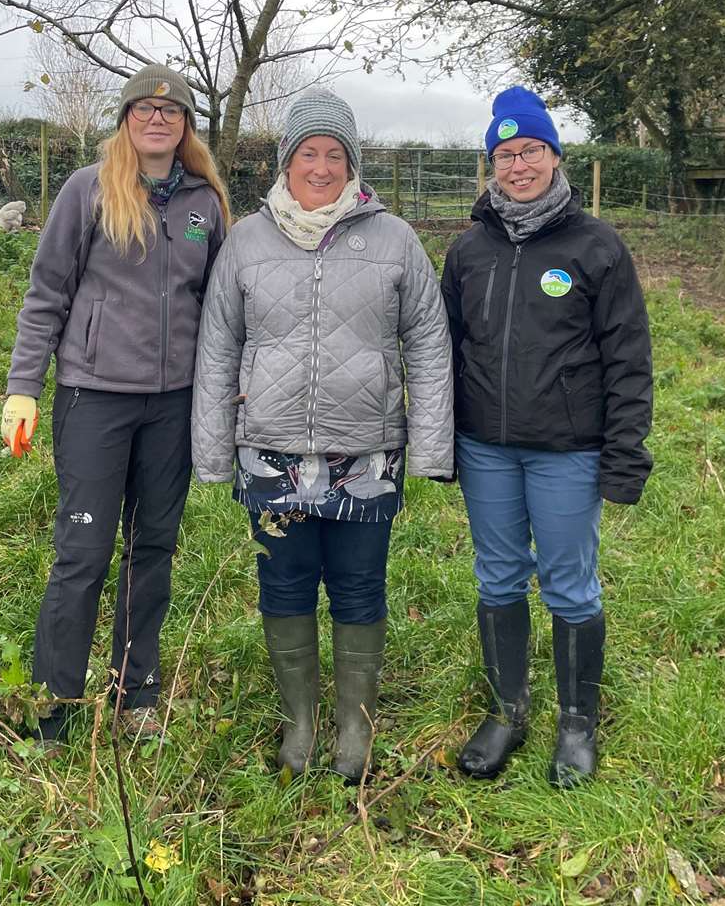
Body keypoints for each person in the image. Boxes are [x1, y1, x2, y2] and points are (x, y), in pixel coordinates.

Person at [192, 88, 453, 780]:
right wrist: (214, 453)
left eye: (334, 153)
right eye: (307, 152)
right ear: (286, 162)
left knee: (361, 586)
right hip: (271, 452)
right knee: (284, 587)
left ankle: (353, 728)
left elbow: (428, 340)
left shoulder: (394, 239)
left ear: (352, 163)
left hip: (365, 451)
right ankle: (300, 724)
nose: (320, 165)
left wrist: (428, 445)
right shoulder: (246, 242)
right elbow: (217, 346)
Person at [1, 63, 229, 748]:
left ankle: (136, 692)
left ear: (186, 126)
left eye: (172, 111)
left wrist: (228, 390)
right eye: (144, 109)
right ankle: (55, 704)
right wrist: (23, 386)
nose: (157, 120)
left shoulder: (205, 205)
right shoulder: (88, 191)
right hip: (93, 400)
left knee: (153, 548)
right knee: (84, 552)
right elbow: (47, 294)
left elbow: (220, 308)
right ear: (126, 118)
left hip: (172, 408)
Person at [441, 86, 652, 788]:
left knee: (570, 585)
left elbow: (627, 358)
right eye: (504, 154)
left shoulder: (596, 247)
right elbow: (443, 349)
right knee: (498, 575)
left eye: (530, 149)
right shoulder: (469, 249)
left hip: (568, 451)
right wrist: (441, 441)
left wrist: (625, 455)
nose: (518, 164)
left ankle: (575, 723)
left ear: (555, 155)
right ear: (490, 165)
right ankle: (508, 710)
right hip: (486, 447)